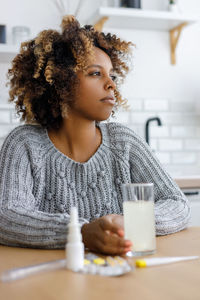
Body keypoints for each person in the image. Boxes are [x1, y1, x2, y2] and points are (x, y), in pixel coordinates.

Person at [0, 15, 190, 254]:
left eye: (112, 75)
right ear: (60, 83)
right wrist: (81, 233)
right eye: (95, 73)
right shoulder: (24, 144)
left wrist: (130, 223)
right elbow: (7, 216)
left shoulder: (124, 142)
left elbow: (177, 204)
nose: (111, 84)